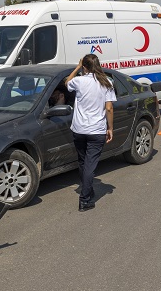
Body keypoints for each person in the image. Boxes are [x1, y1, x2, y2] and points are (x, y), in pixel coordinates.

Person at [65, 54, 116, 211]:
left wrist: (77, 67)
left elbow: (66, 82)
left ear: (85, 67)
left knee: (82, 162)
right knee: (90, 165)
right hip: (96, 130)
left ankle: (87, 190)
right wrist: (110, 128)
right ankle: (85, 199)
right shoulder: (107, 82)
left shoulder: (79, 81)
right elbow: (109, 108)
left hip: (79, 129)